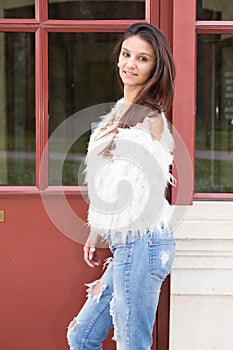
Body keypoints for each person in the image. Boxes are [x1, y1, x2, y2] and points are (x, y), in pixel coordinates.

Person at [67, 22, 176, 350]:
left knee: (133, 345)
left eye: (142, 59)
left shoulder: (149, 117)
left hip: (143, 245)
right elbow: (108, 186)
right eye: (127, 55)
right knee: (81, 336)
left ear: (156, 68)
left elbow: (132, 185)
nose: (131, 64)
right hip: (127, 245)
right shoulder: (119, 111)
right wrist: (95, 230)